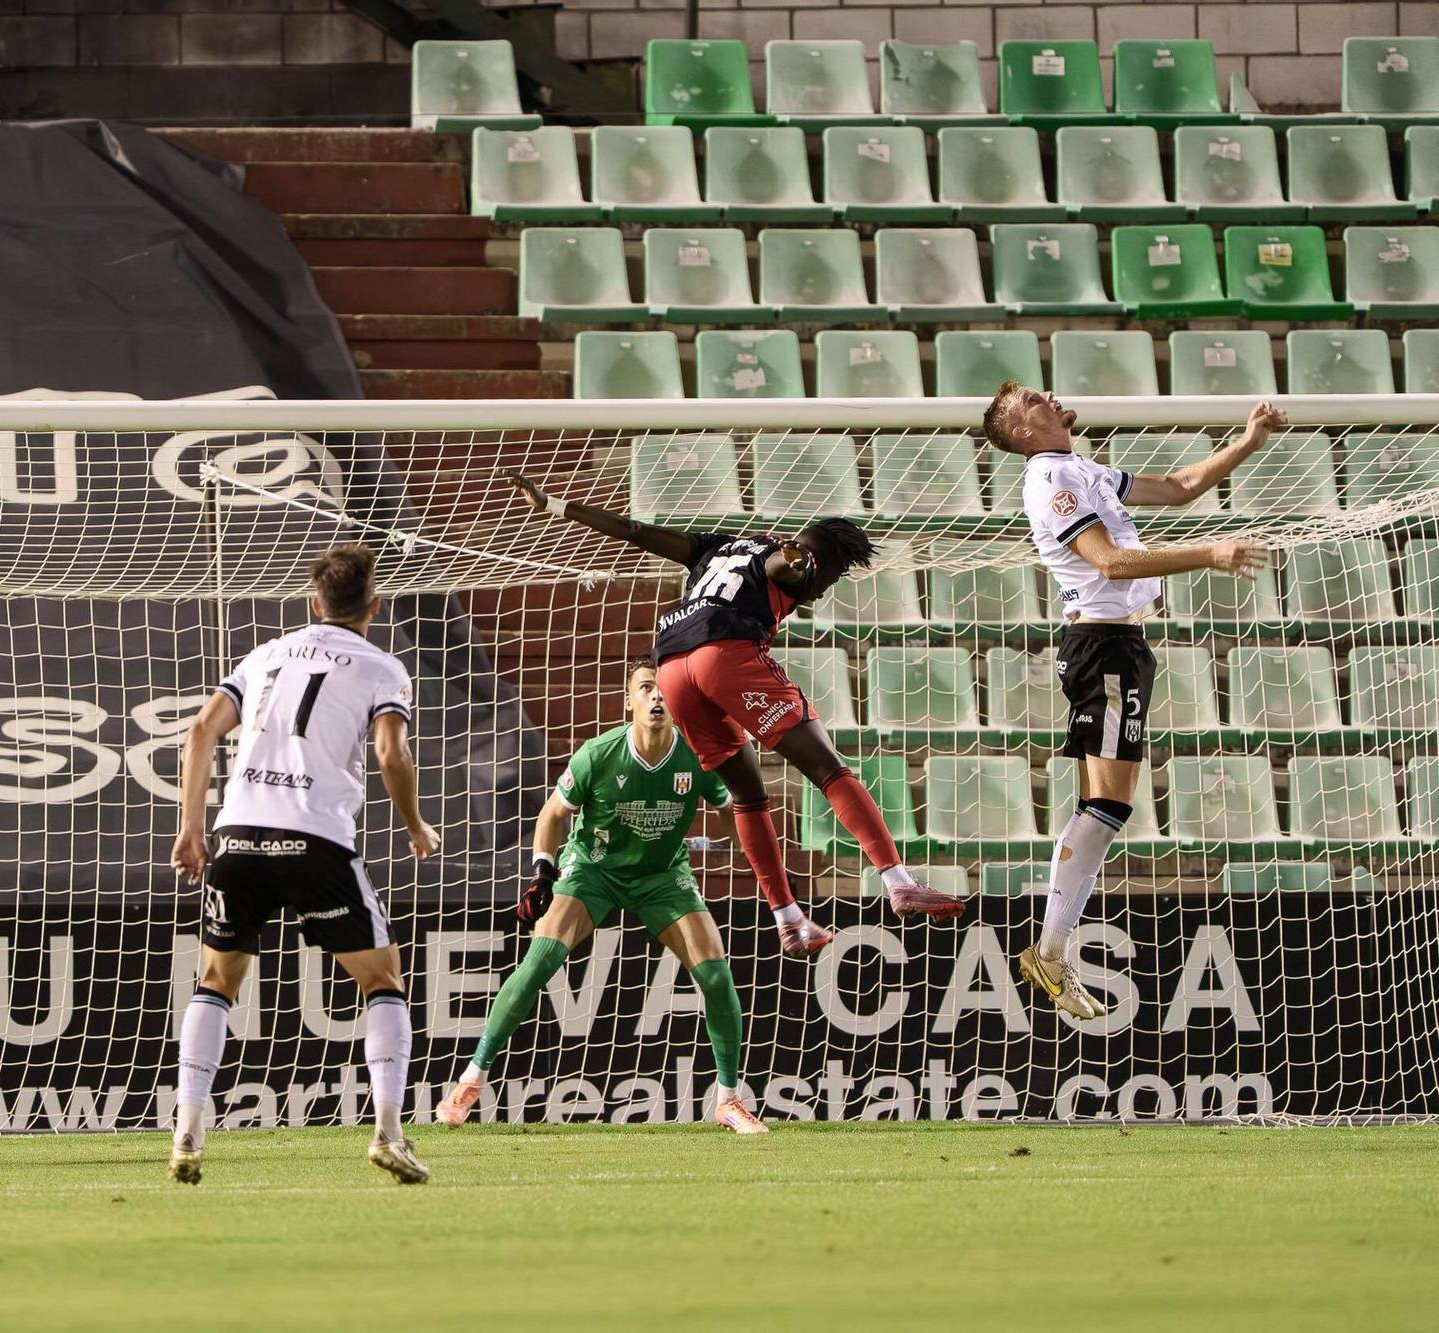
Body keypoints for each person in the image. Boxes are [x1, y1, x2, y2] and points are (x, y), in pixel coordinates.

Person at [507, 472, 964, 957]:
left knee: (746, 794)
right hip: (724, 653)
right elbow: (786, 565)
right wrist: (795, 559)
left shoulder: (717, 546)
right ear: (828, 559)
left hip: (671, 667)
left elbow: (636, 532)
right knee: (829, 768)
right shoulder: (798, 558)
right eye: (832, 578)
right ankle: (899, 881)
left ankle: (789, 919)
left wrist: (554, 504)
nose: (823, 590)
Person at [983, 382, 1279, 1017]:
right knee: (1109, 806)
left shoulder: (1082, 469)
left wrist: (1247, 443)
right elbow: (1112, 563)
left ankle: (1051, 949)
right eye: (1033, 398)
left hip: (1117, 647)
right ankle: (1050, 950)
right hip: (1103, 648)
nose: (1049, 395)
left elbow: (1177, 487)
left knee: (1103, 805)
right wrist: (1210, 553)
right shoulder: (1050, 481)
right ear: (1025, 432)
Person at [168, 543, 440, 1185]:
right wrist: (414, 823)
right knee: (382, 979)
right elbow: (391, 754)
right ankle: (389, 1133)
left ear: (315, 603)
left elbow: (201, 731)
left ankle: (187, 1133)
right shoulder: (383, 667)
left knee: (216, 981)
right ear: (374, 606)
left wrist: (191, 827)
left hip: (238, 835)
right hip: (314, 836)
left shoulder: (266, 654)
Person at [438, 661, 768, 1133]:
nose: (656, 697)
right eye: (646, 688)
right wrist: (542, 873)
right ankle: (471, 1079)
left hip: (661, 874)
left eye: (664, 689)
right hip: (593, 870)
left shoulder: (698, 754)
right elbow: (552, 816)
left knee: (716, 976)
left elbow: (732, 813)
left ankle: (729, 1100)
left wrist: (748, 846)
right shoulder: (598, 753)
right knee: (538, 963)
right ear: (628, 701)